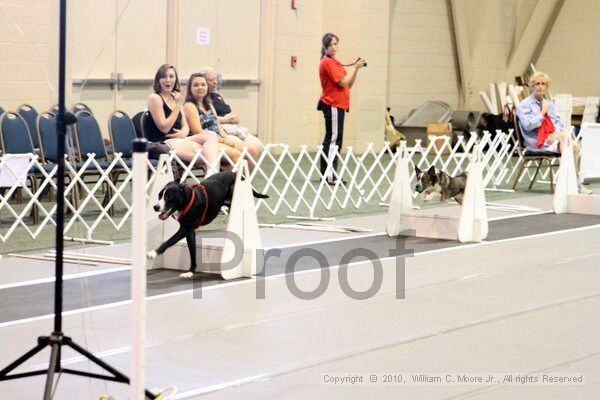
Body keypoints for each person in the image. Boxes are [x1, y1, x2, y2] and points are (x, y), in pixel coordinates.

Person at [516, 71, 592, 194]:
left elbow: (559, 123)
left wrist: (553, 134)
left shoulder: (549, 104)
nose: (540, 86)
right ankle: (572, 185)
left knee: (575, 146)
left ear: (546, 87)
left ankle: (573, 183)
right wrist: (542, 114)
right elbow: (528, 125)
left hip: (553, 139)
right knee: (567, 141)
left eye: (543, 84)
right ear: (532, 86)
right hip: (536, 142)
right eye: (537, 84)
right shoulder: (524, 105)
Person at [144, 64, 218, 169]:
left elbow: (185, 127)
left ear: (175, 79)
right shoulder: (155, 98)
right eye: (164, 77)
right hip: (163, 142)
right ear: (158, 80)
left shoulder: (175, 98)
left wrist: (182, 134)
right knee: (212, 155)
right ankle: (209, 182)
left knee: (211, 135)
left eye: (171, 76)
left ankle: (208, 180)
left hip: (181, 139)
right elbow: (164, 128)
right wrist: (179, 104)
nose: (168, 80)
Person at [318, 33, 365, 184]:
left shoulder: (335, 62)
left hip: (339, 105)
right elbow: (343, 82)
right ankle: (329, 175)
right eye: (330, 44)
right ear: (325, 46)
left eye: (335, 44)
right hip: (333, 104)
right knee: (333, 140)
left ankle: (329, 173)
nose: (333, 47)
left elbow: (349, 83)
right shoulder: (327, 63)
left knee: (335, 140)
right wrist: (355, 67)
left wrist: (356, 70)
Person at [202, 67, 265, 161]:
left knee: (259, 145)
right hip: (219, 130)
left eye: (215, 79)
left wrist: (233, 118)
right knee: (244, 148)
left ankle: (245, 173)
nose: (215, 82)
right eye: (211, 80)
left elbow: (226, 112)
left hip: (232, 128)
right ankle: (237, 173)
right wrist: (225, 120)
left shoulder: (217, 96)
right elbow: (208, 119)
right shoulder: (202, 99)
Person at [183, 72, 242, 170]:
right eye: (196, 85)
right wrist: (223, 141)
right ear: (190, 88)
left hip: (218, 140)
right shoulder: (189, 106)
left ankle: (245, 184)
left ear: (207, 87)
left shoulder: (209, 105)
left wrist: (227, 138)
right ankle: (229, 184)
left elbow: (218, 126)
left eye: (203, 84)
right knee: (236, 155)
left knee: (247, 152)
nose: (200, 87)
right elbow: (198, 132)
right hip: (204, 144)